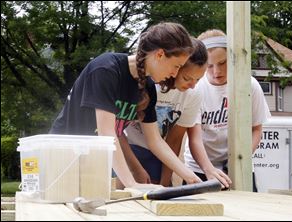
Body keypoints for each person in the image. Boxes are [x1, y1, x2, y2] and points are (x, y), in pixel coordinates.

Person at [49, 22, 201, 189]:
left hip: (93, 161)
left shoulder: (148, 87)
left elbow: (155, 141)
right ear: (159, 55)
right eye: (176, 66)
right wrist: (131, 183)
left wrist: (189, 176)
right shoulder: (106, 70)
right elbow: (107, 134)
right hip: (61, 157)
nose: (175, 73)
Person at [183, 29, 271, 190]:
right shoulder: (195, 89)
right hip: (200, 168)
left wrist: (239, 160)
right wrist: (208, 169)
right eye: (209, 66)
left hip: (239, 167)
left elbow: (256, 129)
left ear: (231, 58)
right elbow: (194, 137)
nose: (217, 71)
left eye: (222, 63)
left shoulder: (249, 85)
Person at [118, 38, 209, 187]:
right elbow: (116, 131)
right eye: (187, 78)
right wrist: (136, 169)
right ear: (175, 68)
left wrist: (165, 182)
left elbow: (173, 141)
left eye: (198, 80)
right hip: (126, 150)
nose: (193, 85)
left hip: (160, 155)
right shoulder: (146, 84)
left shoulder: (194, 93)